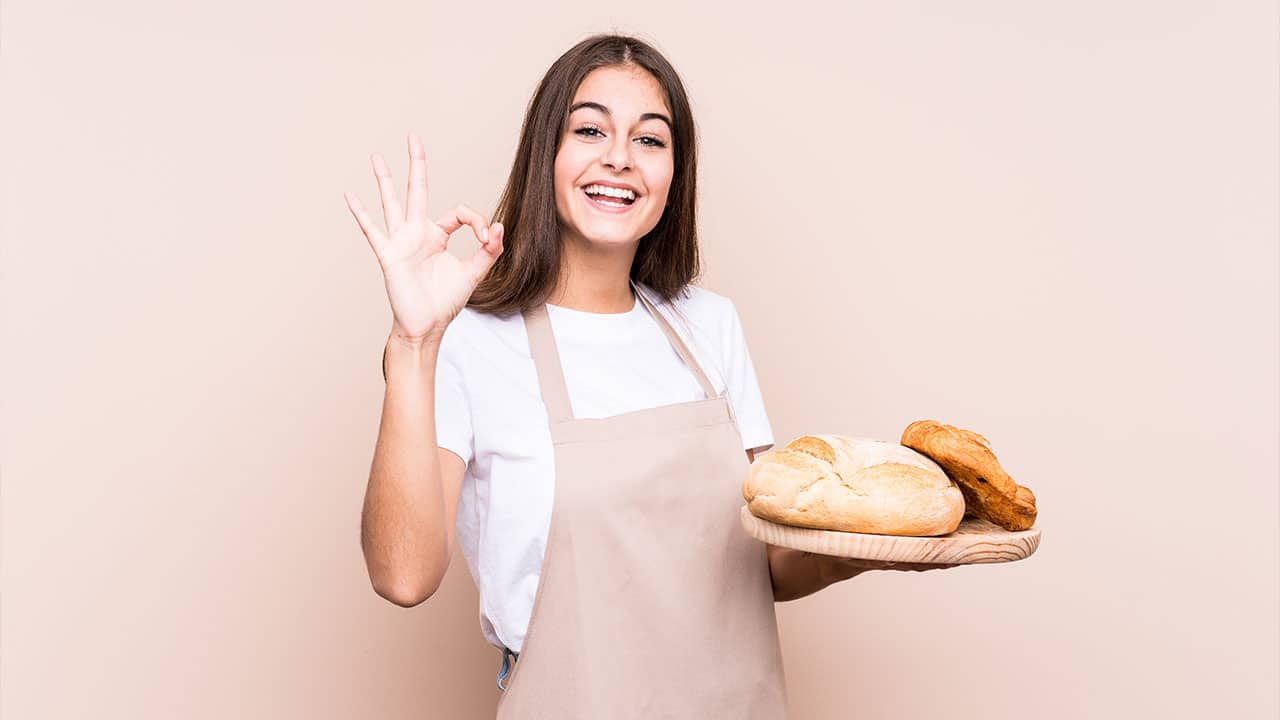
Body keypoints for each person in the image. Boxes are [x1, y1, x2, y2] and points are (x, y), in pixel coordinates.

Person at [346, 33, 955, 719]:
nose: (619, 157)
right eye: (589, 130)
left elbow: (769, 561)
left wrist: (867, 543)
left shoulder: (710, 325)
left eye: (649, 139)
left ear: (673, 175)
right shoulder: (470, 340)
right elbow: (403, 576)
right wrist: (413, 341)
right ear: (546, 154)